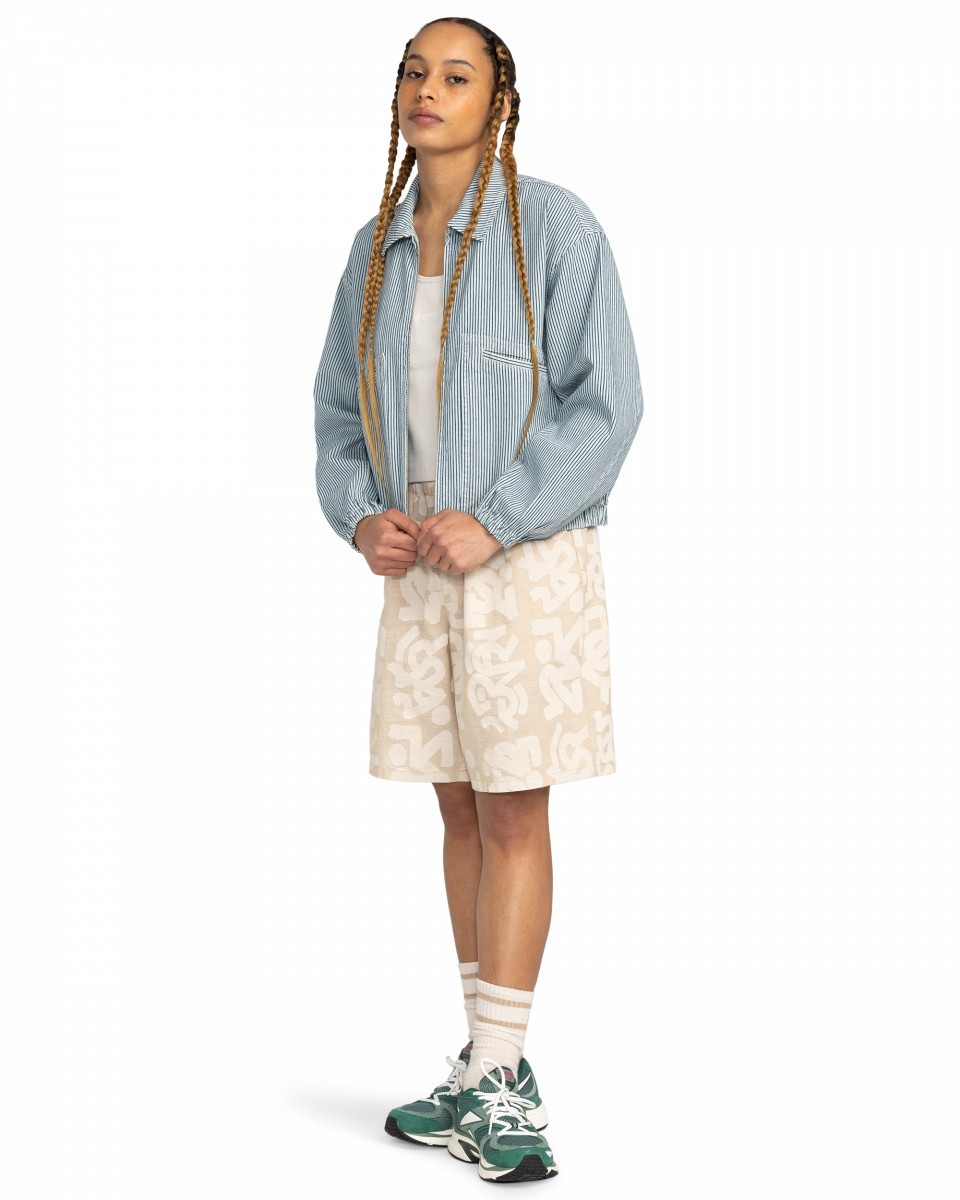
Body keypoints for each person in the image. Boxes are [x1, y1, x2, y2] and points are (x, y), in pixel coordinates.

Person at [313, 16, 643, 1185]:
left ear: (498, 103)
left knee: (511, 811)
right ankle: (482, 1064)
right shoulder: (376, 247)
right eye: (414, 70)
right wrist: (362, 513)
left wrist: (497, 516)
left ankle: (503, 1079)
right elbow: (338, 413)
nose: (427, 89)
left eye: (456, 75)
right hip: (420, 565)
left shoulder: (554, 227)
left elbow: (608, 405)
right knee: (455, 807)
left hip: (522, 560)